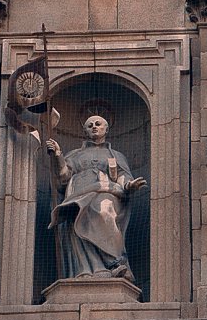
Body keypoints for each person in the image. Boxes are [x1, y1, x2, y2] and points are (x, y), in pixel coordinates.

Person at [46, 115, 147, 280]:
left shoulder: (115, 155)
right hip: (76, 196)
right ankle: (87, 269)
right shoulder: (75, 154)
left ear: (106, 129)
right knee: (75, 213)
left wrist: (129, 185)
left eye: (98, 124)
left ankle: (114, 262)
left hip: (106, 192)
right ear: (85, 131)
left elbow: (123, 177)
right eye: (89, 125)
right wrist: (58, 155)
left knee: (104, 208)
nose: (94, 127)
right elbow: (63, 179)